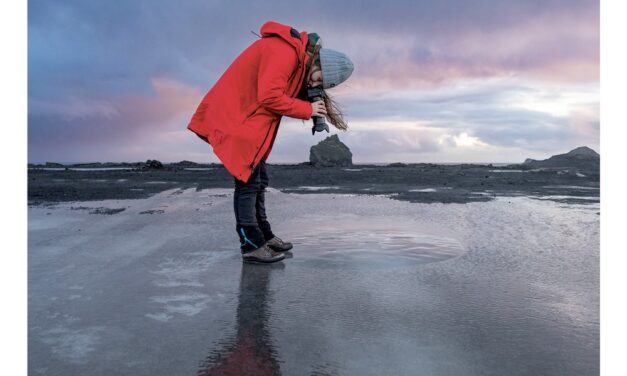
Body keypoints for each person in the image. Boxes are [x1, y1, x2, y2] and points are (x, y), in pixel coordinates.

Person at [188, 21, 354, 263]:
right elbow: (269, 96)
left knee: (258, 179)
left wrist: (309, 104)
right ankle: (251, 244)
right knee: (247, 182)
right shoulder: (284, 52)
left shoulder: (296, 58)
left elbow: (279, 92)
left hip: (249, 120)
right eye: (318, 80)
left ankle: (263, 235)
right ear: (318, 63)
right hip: (239, 118)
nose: (314, 85)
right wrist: (307, 109)